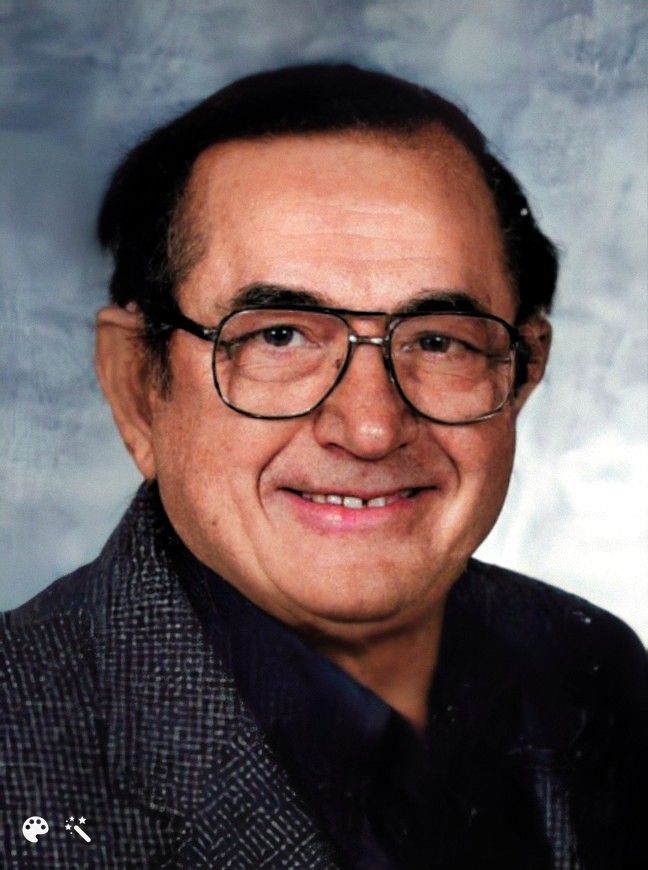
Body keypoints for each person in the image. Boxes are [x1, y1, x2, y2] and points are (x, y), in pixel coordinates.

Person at [1, 64, 645, 870]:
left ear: (522, 372)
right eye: (278, 337)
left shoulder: (594, 667)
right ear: (136, 383)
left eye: (438, 341)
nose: (371, 429)